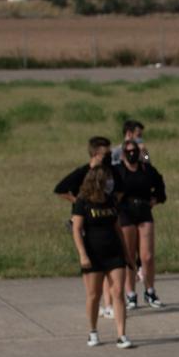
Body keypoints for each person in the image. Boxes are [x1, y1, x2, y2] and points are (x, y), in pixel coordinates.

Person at [70, 164, 132, 349]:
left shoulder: (111, 200)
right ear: (97, 181)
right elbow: (76, 229)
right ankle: (93, 330)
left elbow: (118, 228)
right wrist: (82, 255)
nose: (110, 183)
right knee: (94, 295)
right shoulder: (82, 202)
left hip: (114, 252)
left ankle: (121, 335)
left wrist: (127, 255)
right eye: (107, 180)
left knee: (118, 292)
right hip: (93, 254)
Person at [56, 136, 116, 317]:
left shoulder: (110, 172)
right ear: (96, 154)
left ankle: (109, 304)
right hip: (85, 222)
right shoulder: (82, 172)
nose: (109, 156)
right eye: (106, 153)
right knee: (91, 264)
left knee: (108, 263)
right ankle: (94, 300)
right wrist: (79, 202)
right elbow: (60, 189)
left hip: (104, 221)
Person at [113, 138, 167, 309]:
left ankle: (150, 290)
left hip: (143, 211)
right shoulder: (118, 171)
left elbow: (160, 186)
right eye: (128, 151)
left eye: (134, 151)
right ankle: (130, 294)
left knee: (147, 256)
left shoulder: (146, 169)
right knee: (129, 255)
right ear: (122, 154)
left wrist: (155, 200)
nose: (132, 154)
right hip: (126, 213)